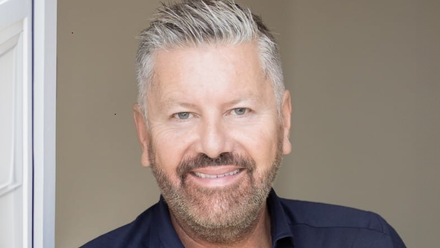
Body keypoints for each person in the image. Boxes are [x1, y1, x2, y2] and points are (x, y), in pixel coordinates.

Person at [81, 0, 406, 247]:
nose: (213, 145)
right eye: (183, 115)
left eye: (239, 111)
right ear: (144, 136)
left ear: (285, 121)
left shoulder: (370, 241)